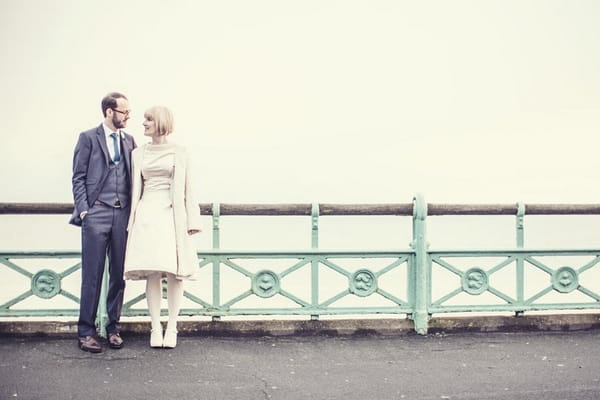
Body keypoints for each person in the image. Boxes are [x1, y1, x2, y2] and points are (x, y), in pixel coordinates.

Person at [124, 105, 201, 349]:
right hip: (147, 214)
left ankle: (173, 326)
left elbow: (190, 188)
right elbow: (134, 189)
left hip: (172, 215)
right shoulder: (138, 153)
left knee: (175, 272)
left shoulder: (181, 152)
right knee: (153, 271)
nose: (143, 123)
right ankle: (155, 327)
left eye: (148, 119)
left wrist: (193, 221)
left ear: (160, 122)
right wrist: (131, 220)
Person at [70, 92, 137, 353]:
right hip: (96, 213)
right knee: (92, 275)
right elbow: (78, 176)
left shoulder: (130, 141)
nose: (128, 116)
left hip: (122, 214)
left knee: (119, 275)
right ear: (109, 111)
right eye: (124, 112)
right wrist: (85, 210)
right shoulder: (88, 138)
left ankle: (113, 328)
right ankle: (86, 331)